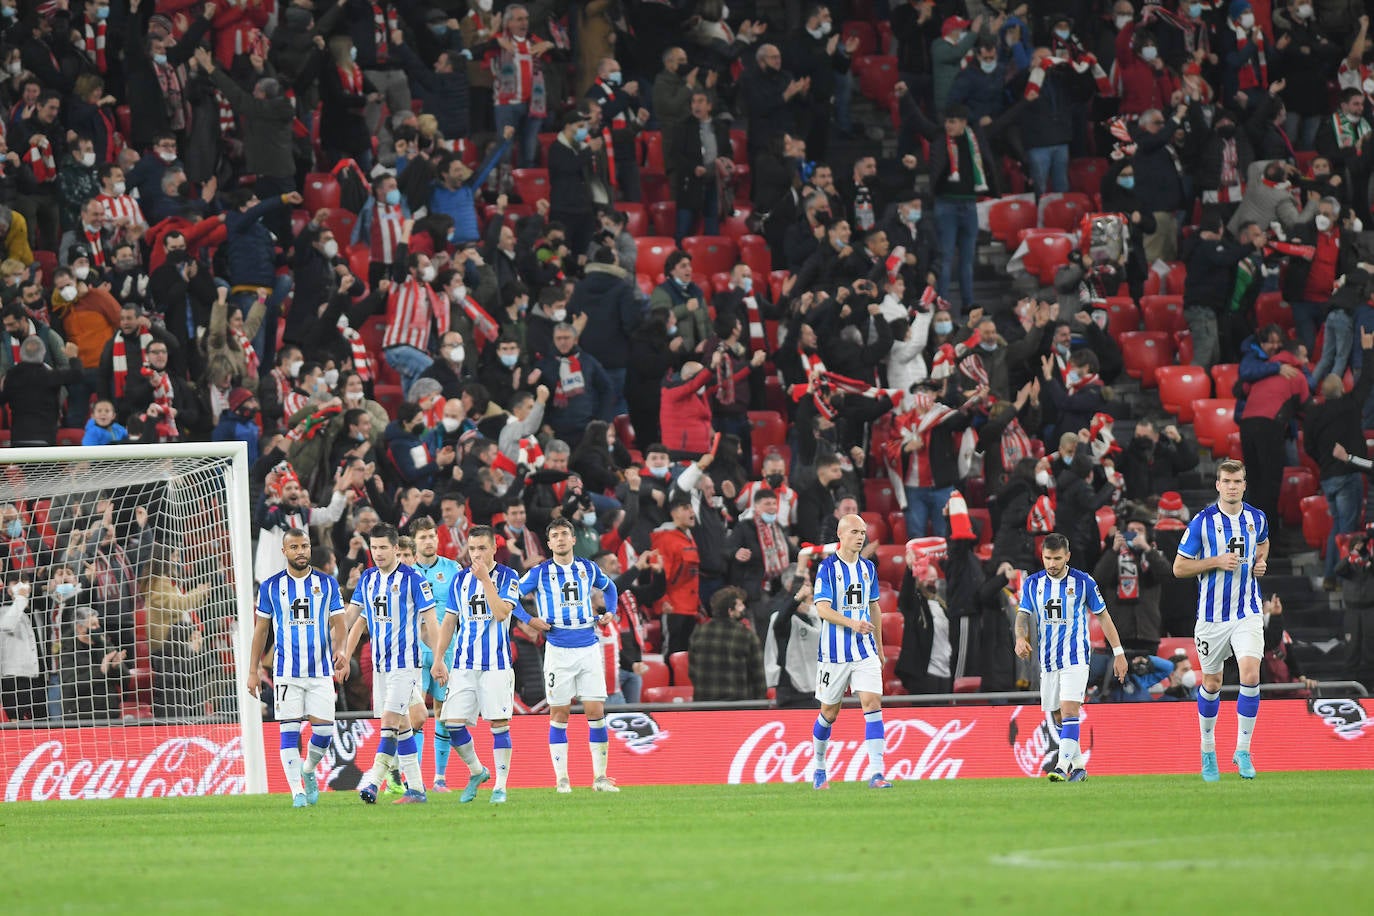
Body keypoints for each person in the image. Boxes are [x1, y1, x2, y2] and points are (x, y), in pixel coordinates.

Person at [1173, 460, 1270, 782]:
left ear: (1244, 485)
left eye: (1237, 481)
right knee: (1212, 683)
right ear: (1218, 485)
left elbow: (1263, 543)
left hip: (1247, 611)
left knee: (1250, 673)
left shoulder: (1257, 518)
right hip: (1212, 618)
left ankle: (1243, 750)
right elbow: (1179, 568)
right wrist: (1214, 561)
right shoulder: (1202, 523)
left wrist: (1261, 562)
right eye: (1226, 481)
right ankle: (1207, 748)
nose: (1232, 486)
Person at [517, 517, 620, 793]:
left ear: (573, 539)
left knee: (596, 712)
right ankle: (562, 779)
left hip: (588, 646)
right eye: (555, 536)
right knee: (559, 713)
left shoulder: (588, 568)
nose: (560, 539)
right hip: (558, 649)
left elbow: (610, 587)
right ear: (549, 543)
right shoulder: (539, 572)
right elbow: (510, 596)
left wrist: (610, 612)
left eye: (564, 534)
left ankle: (600, 778)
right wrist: (530, 619)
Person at [1016, 532, 1129, 782]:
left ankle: (1061, 766)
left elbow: (1103, 616)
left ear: (1067, 556)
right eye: (1048, 558)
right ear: (1042, 556)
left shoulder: (1083, 581)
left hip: (1075, 656)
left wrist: (1119, 652)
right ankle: (1079, 767)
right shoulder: (1033, 583)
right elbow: (1022, 615)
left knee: (1069, 710)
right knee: (1058, 715)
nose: (1052, 564)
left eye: (1057, 558)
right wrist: (1020, 638)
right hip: (1048, 660)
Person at [246, 529, 346, 808]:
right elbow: (261, 631)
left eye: (304, 546)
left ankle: (308, 769)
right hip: (286, 672)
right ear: (284, 551)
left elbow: (340, 623)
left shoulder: (327, 583)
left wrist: (341, 650)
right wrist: (253, 670)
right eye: (294, 547)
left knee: (323, 734)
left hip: (321, 671)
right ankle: (296, 792)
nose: (300, 551)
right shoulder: (270, 586)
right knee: (289, 731)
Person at [342, 524, 440, 804]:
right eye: (374, 547)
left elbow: (431, 622)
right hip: (380, 665)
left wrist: (439, 659)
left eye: (383, 547)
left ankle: (373, 782)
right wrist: (340, 649)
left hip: (405, 664)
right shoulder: (368, 579)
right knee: (404, 725)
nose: (378, 553)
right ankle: (417, 789)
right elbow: (352, 618)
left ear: (396, 548)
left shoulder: (413, 579)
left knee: (390, 722)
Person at [431, 525, 521, 805]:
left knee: (499, 723)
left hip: (496, 664)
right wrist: (438, 659)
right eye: (472, 549)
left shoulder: (508, 576)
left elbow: (501, 612)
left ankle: (500, 787)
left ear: (494, 548)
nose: (477, 554)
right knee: (452, 724)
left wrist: (485, 580)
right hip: (463, 664)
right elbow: (449, 622)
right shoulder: (459, 580)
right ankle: (477, 771)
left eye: (482, 548)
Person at [810, 513, 891, 790]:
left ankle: (877, 773)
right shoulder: (827, 568)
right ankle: (819, 766)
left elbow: (874, 607)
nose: (860, 537)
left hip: (864, 649)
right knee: (829, 713)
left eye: (863, 532)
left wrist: (879, 647)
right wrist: (852, 623)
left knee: (872, 703)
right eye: (855, 532)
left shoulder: (868, 568)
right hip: (834, 653)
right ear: (840, 535)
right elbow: (822, 609)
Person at [409, 517, 462, 791]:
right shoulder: (407, 572)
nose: (428, 541)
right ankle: (414, 779)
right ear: (414, 542)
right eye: (422, 537)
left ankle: (440, 778)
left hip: (447, 650)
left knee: (444, 713)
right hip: (415, 653)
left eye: (431, 536)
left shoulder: (453, 569)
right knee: (416, 715)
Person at [688, 586, 767, 702]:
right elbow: (758, 676)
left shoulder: (699, 632)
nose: (744, 608)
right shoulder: (746, 635)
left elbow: (692, 671)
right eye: (740, 605)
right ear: (730, 611)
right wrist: (759, 703)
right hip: (737, 705)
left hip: (704, 704)